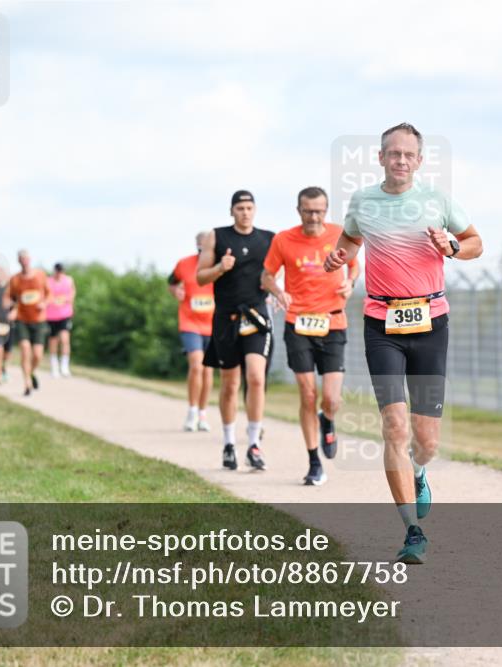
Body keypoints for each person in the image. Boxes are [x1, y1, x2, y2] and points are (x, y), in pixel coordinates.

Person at [325, 122, 483, 564]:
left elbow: (476, 243)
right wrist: (337, 257)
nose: (400, 161)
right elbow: (350, 241)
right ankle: (412, 530)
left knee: (426, 440)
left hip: (431, 323)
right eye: (393, 153)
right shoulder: (363, 202)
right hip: (382, 325)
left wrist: (450, 245)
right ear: (380, 158)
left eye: (408, 154)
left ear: (419, 160)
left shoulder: (437, 200)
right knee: (393, 428)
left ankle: (418, 470)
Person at [262, 186, 360, 486]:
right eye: (308, 211)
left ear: (326, 210)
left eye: (319, 210)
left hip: (333, 322)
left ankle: (327, 420)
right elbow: (266, 276)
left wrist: (350, 283)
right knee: (307, 394)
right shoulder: (284, 239)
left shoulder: (340, 234)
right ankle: (314, 461)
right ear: (299, 210)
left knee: (330, 398)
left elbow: (354, 266)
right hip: (298, 323)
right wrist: (279, 292)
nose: (314, 216)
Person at [198, 190, 275, 471]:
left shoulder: (269, 238)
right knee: (230, 384)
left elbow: (279, 273)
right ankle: (229, 443)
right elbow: (200, 275)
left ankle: (254, 444)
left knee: (255, 377)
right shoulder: (217, 236)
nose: (245, 212)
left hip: (255, 318)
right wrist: (220, 267)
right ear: (232, 211)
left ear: (255, 210)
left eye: (249, 207)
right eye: (240, 208)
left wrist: (279, 292)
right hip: (225, 319)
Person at [169, 232, 215, 432]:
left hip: (213, 324)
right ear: (197, 244)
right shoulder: (184, 264)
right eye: (201, 245)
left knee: (208, 370)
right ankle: (192, 411)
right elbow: (171, 282)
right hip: (190, 323)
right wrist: (176, 291)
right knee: (196, 365)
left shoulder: (219, 266)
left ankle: (203, 413)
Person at [5, 250, 51, 396]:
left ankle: (31, 372)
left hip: (39, 320)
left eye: (26, 258)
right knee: (25, 349)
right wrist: (11, 310)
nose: (24, 261)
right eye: (21, 259)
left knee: (37, 355)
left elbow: (49, 294)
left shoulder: (40, 275)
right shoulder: (15, 280)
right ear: (18, 261)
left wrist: (44, 303)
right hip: (22, 319)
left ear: (29, 259)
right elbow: (8, 298)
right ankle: (27, 383)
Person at [46, 262, 76, 378]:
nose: (59, 273)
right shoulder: (48, 281)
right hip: (51, 315)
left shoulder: (68, 280)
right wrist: (52, 300)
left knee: (65, 339)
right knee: (53, 341)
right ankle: (54, 367)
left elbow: (72, 293)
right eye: (57, 271)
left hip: (65, 314)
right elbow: (46, 295)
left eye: (61, 271)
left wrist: (66, 299)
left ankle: (64, 366)